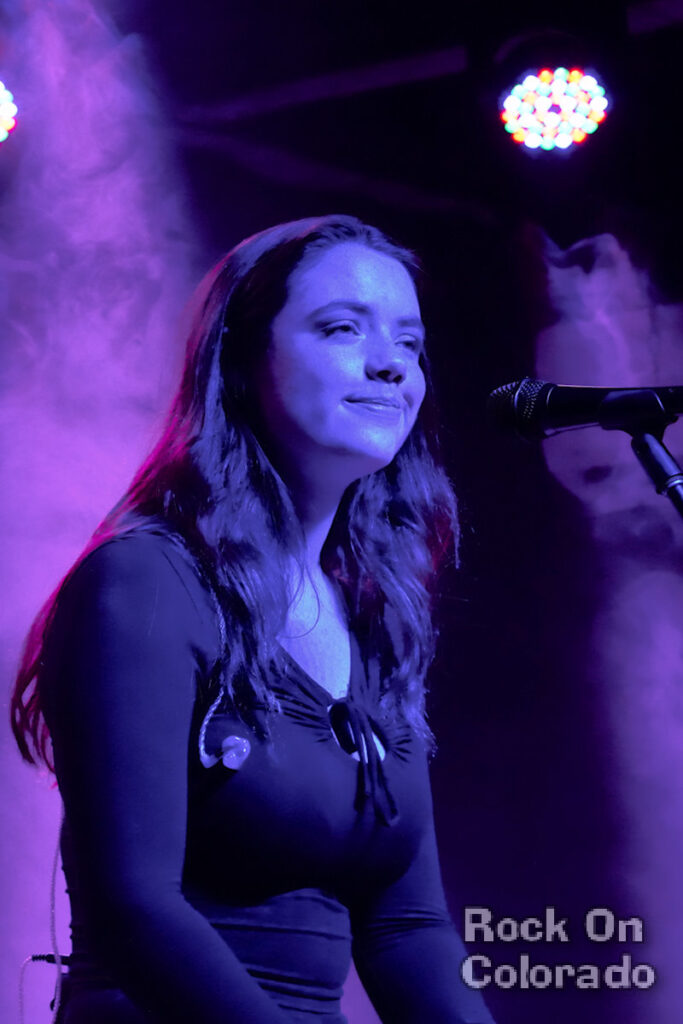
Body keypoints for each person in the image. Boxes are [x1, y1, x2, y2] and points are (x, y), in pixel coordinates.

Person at [11, 215, 496, 1024]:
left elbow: (406, 926)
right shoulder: (145, 581)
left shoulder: (374, 620)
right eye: (341, 328)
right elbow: (135, 909)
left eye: (409, 343)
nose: (390, 363)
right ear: (239, 357)